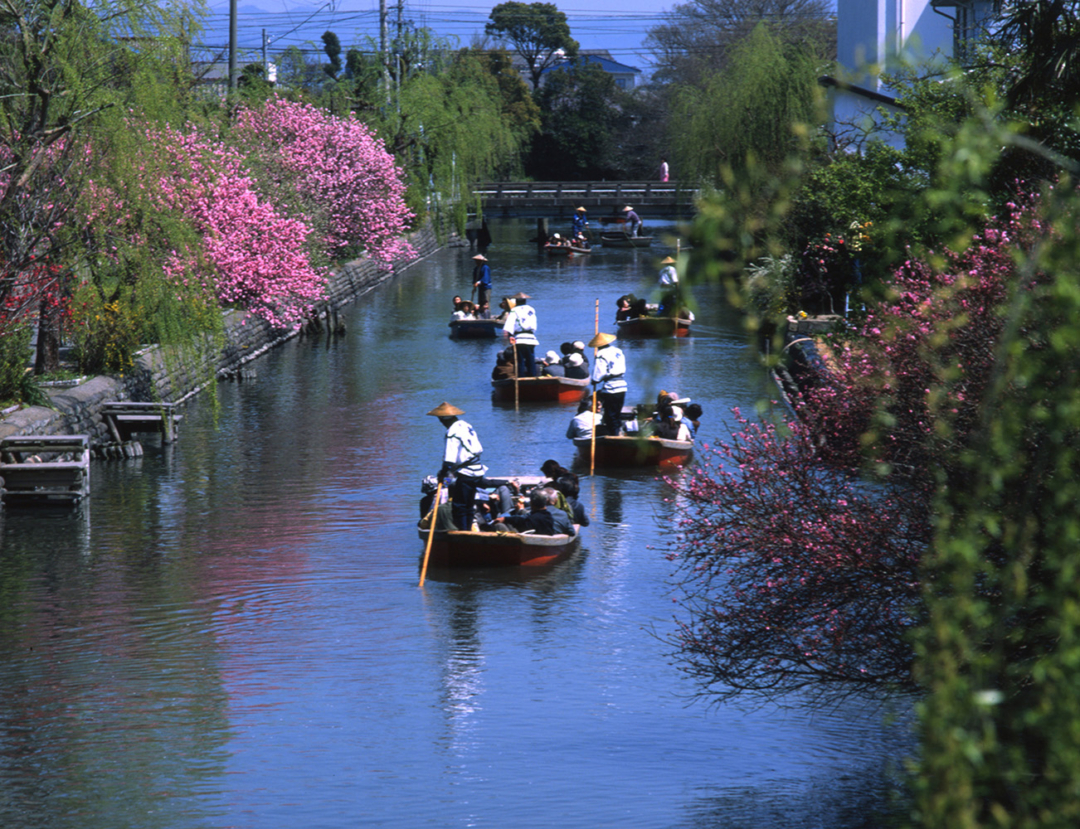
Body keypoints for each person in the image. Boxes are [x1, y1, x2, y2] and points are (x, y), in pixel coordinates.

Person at [428, 402, 488, 532]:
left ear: (443, 419)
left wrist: (442, 474)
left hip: (467, 472)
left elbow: (449, 460)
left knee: (459, 505)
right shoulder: (466, 425)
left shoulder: (452, 432)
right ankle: (467, 530)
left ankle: (463, 532)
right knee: (469, 504)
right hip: (477, 470)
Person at [589, 331, 627, 435]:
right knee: (617, 413)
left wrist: (594, 380)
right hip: (622, 386)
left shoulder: (601, 354)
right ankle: (618, 432)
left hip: (611, 388)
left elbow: (598, 374)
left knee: (610, 415)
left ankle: (614, 435)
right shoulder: (617, 350)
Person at [496, 488, 575, 536]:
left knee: (500, 524)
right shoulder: (549, 516)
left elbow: (522, 520)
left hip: (530, 540)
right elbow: (572, 532)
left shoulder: (532, 518)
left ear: (531, 503)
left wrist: (506, 518)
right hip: (542, 537)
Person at [502, 292, 539, 378]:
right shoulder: (531, 309)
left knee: (520, 360)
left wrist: (509, 336)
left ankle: (521, 378)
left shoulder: (515, 310)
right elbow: (534, 326)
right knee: (531, 360)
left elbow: (509, 326)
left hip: (520, 338)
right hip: (531, 338)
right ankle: (532, 377)